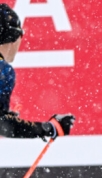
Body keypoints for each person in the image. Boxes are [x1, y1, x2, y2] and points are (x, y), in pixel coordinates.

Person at [0, 4, 74, 139]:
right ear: (14, 37)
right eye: (21, 34)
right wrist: (48, 128)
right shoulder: (3, 70)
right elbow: (2, 124)